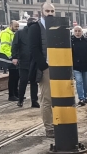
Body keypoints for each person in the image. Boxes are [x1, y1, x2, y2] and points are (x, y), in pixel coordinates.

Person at [29, 2, 56, 137]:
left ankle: (57, 123)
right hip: (45, 68)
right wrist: (43, 66)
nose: (50, 13)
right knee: (47, 99)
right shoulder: (36, 28)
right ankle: (49, 128)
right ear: (42, 12)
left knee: (58, 98)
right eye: (47, 11)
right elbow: (34, 48)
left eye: (52, 11)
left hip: (58, 68)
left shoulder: (57, 26)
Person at [12, 17, 39, 108]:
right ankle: (20, 100)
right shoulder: (20, 33)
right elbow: (15, 45)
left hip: (34, 61)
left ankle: (34, 100)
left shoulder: (37, 33)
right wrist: (14, 57)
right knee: (24, 81)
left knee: (33, 82)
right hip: (24, 60)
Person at [0, 20, 20, 101]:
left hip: (12, 57)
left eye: (18, 26)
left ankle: (16, 94)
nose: (17, 28)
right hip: (8, 57)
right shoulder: (6, 33)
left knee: (16, 76)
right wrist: (11, 57)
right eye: (16, 26)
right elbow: (5, 47)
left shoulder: (13, 33)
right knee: (13, 76)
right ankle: (11, 95)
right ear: (11, 26)